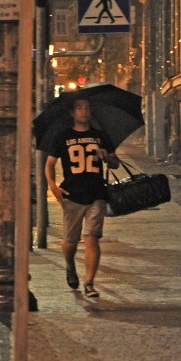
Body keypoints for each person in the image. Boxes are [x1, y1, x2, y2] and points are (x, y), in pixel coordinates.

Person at [45, 96, 120, 298]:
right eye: (79, 108)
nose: (84, 111)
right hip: (72, 194)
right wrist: (53, 186)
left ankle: (89, 283)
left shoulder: (100, 136)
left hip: (97, 193)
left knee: (92, 238)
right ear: (72, 113)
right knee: (70, 242)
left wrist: (108, 156)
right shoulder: (62, 137)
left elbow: (115, 164)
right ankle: (70, 265)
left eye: (87, 108)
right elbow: (50, 164)